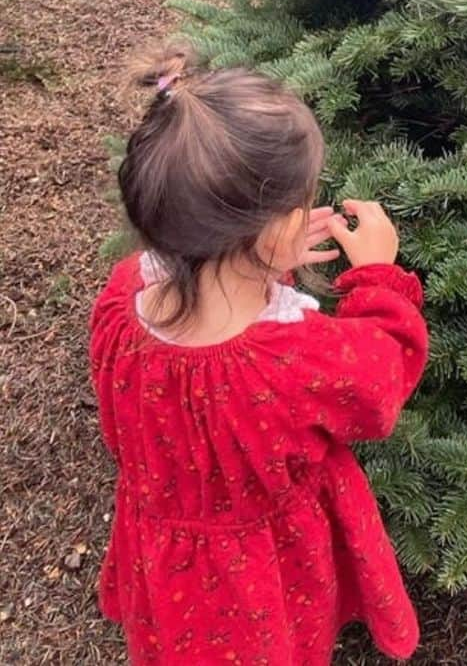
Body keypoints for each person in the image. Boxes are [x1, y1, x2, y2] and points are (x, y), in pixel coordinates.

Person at [89, 42, 428, 664]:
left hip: (165, 560)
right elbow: (379, 382)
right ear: (273, 231)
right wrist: (378, 274)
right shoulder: (294, 359)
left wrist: (267, 261)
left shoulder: (119, 304)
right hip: (264, 578)